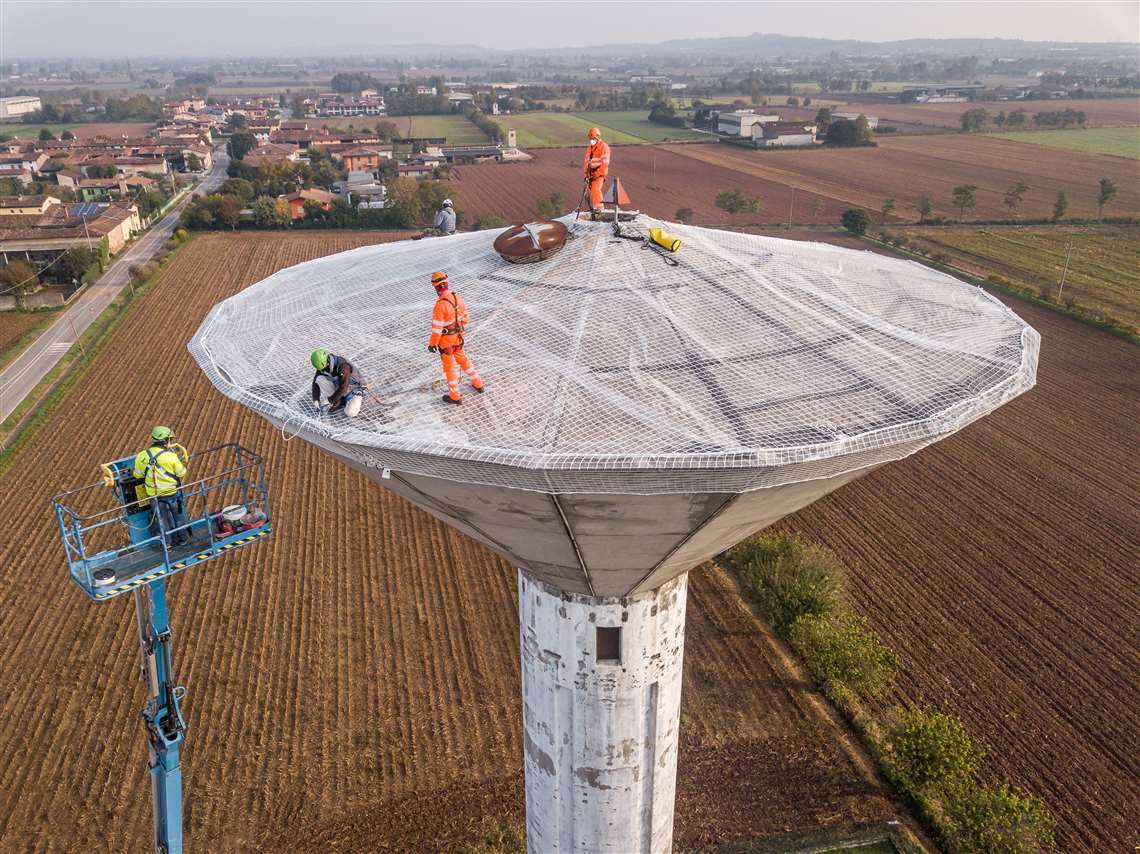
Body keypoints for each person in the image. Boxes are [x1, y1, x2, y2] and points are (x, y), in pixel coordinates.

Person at [428, 271, 484, 405]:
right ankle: (478, 384)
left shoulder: (440, 305)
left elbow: (437, 330)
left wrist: (432, 344)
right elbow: (465, 319)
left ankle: (455, 395)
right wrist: (458, 332)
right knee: (464, 360)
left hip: (446, 341)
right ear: (446, 284)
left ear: (435, 287)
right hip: (458, 337)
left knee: (450, 368)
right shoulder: (457, 297)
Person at [133, 426, 190, 546]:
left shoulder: (142, 456)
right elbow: (181, 473)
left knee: (162, 520)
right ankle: (183, 539)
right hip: (172, 494)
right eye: (170, 439)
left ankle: (167, 544)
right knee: (178, 517)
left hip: (154, 496)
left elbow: (137, 475)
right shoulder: (171, 456)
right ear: (165, 441)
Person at [310, 349, 366, 417]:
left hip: (353, 388)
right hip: (339, 384)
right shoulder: (323, 365)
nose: (321, 370)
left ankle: (357, 395)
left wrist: (329, 400)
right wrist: (316, 399)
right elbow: (315, 381)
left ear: (326, 362)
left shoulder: (343, 367)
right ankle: (338, 400)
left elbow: (343, 388)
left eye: (322, 368)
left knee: (351, 412)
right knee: (319, 379)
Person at [582, 127, 611, 214]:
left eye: (593, 138)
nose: (591, 140)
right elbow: (586, 161)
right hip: (591, 173)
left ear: (597, 137)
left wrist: (598, 173)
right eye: (590, 138)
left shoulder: (604, 147)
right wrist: (586, 175)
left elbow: (605, 163)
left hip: (598, 173)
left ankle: (599, 209)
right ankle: (596, 208)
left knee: (596, 189)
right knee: (593, 191)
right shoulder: (590, 148)